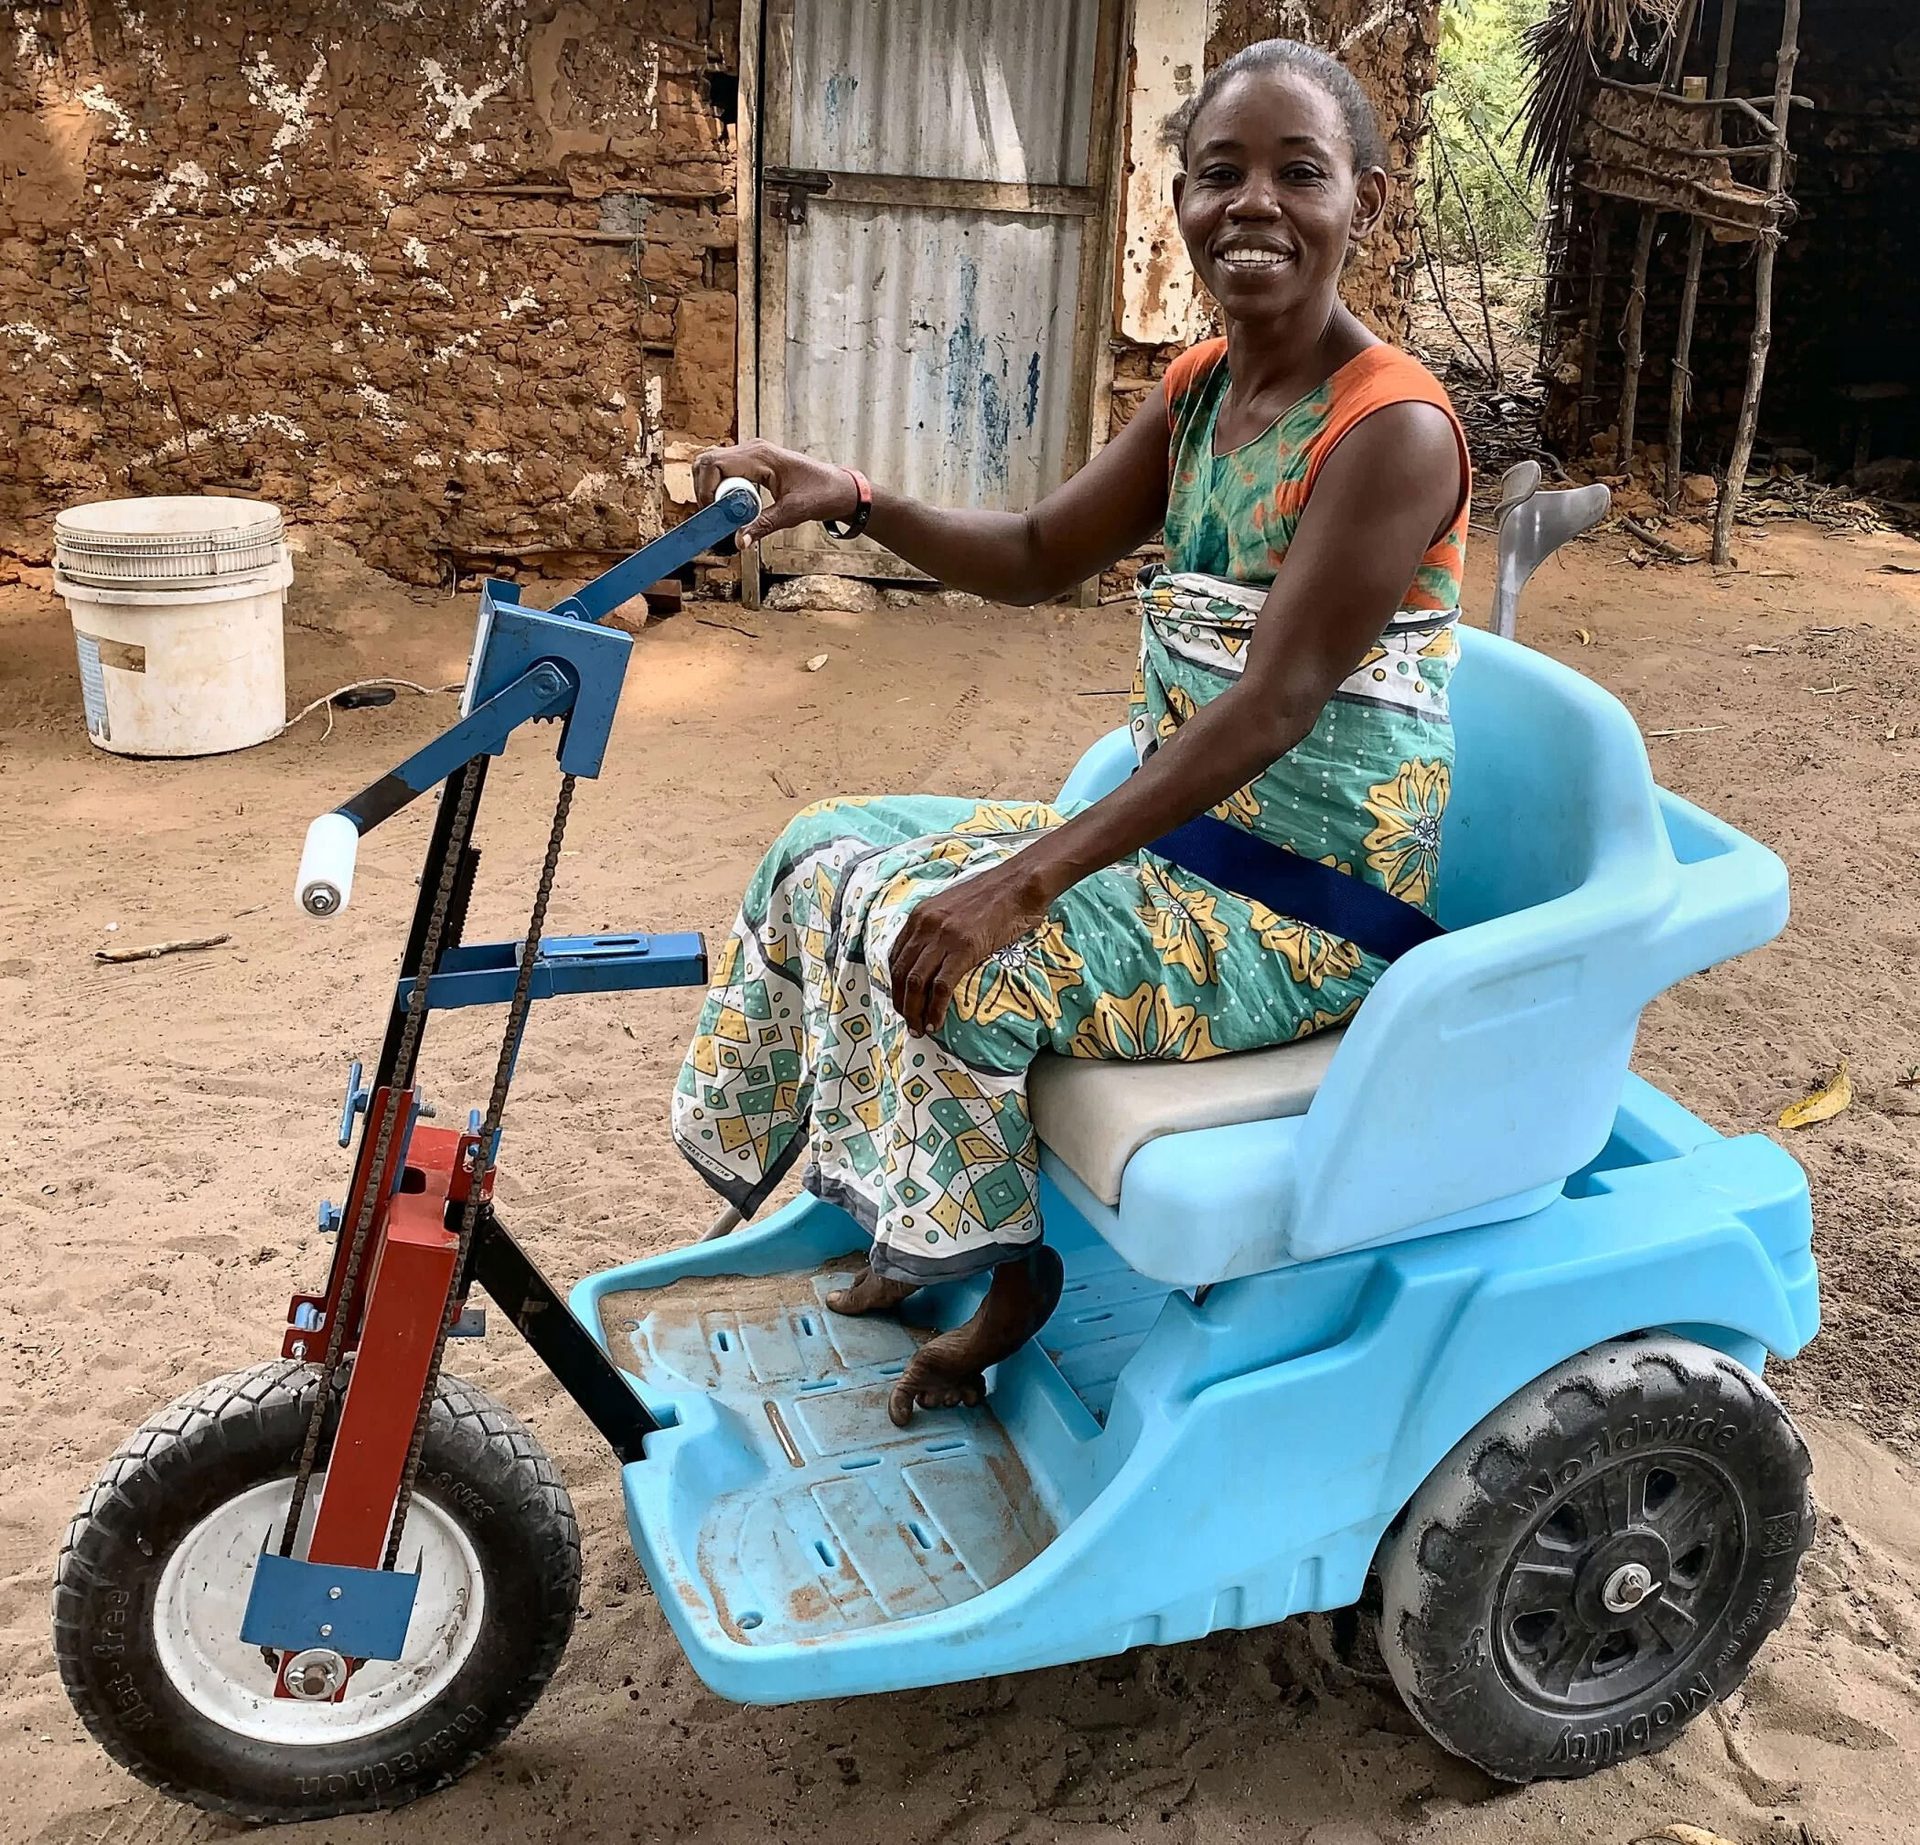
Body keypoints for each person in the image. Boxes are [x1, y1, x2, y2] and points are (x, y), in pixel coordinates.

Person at [677, 38, 1469, 1426]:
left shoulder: (1389, 432)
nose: (1254, 206)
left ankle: (1007, 1271)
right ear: (1178, 201)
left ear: (1367, 201)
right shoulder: (1204, 392)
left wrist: (1028, 879)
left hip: (1299, 909)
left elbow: (1275, 704)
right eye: (1220, 174)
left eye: (1301, 172)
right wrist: (855, 493)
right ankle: (913, 1213)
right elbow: (1040, 549)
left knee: (970, 960)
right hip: (1174, 851)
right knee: (822, 855)